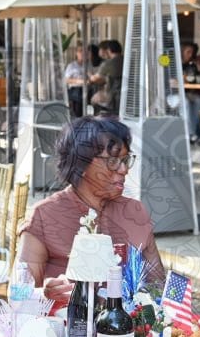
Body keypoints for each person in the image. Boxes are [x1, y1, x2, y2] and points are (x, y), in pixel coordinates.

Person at [19, 116, 164, 302]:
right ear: (81, 164)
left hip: (128, 328)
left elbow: (158, 285)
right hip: (65, 327)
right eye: (112, 161)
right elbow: (18, 291)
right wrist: (44, 294)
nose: (124, 170)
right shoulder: (44, 215)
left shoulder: (135, 212)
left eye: (125, 160)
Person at [88, 40, 123, 115]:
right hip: (124, 93)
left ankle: (99, 120)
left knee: (93, 100)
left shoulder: (109, 63)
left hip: (113, 95)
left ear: (109, 50)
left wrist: (89, 74)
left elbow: (94, 79)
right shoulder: (125, 60)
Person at [64, 45, 86, 116]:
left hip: (88, 88)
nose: (82, 53)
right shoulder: (72, 65)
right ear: (76, 53)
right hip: (76, 89)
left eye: (84, 51)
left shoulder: (89, 64)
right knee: (78, 95)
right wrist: (78, 81)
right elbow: (66, 80)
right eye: (80, 51)